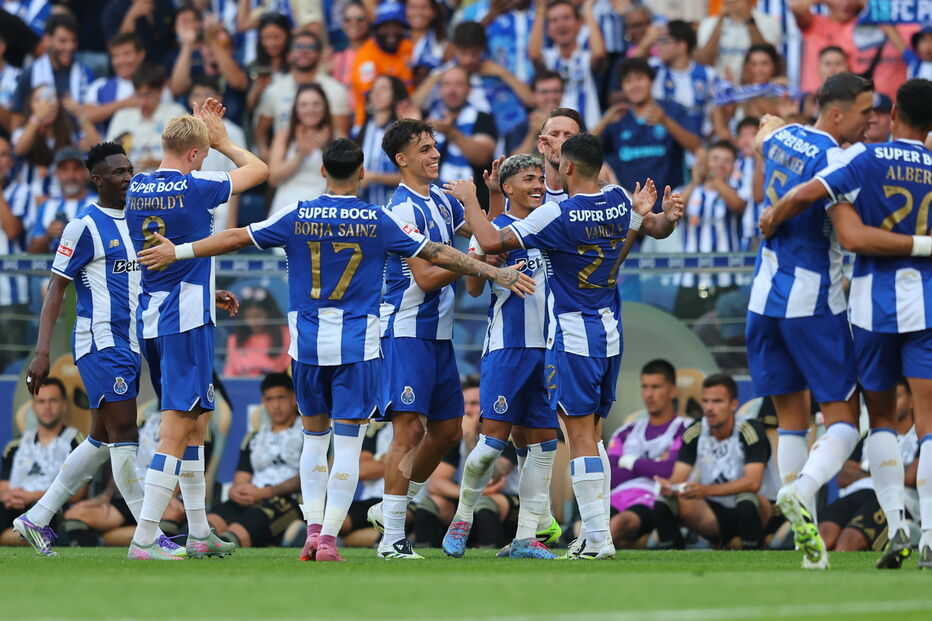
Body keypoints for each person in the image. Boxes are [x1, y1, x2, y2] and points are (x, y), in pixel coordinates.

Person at [136, 137, 534, 562]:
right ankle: (327, 540)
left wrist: (176, 251)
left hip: (306, 347)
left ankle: (311, 531)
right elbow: (438, 254)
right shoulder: (377, 219)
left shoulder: (298, 213)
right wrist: (495, 272)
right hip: (357, 347)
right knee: (346, 445)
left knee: (313, 440)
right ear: (362, 174)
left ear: (323, 172)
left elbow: (235, 236)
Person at [453, 132, 681, 559]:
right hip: (611, 330)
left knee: (578, 437)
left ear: (569, 168)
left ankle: (598, 538)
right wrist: (662, 217)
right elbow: (645, 231)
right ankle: (593, 536)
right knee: (591, 435)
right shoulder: (617, 197)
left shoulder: (557, 215)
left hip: (574, 335)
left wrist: (472, 200)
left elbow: (490, 241)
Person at [767, 78, 932, 570]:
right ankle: (927, 539)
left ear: (895, 111)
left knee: (878, 416)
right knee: (928, 425)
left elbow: (806, 193)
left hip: (869, 309)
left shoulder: (867, 159)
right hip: (926, 304)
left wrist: (773, 216)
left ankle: (898, 521)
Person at [366, 119, 532, 560]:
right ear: (402, 160)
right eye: (424, 149)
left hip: (439, 335)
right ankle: (392, 538)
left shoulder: (441, 199)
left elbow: (486, 236)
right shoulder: (401, 210)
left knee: (444, 431)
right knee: (409, 429)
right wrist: (478, 263)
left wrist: (493, 194)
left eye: (435, 146)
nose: (435, 154)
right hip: (405, 330)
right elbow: (424, 275)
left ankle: (391, 507)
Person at [14, 143, 181, 558]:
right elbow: (56, 287)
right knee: (125, 432)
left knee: (101, 438)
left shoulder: (142, 219)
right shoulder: (84, 226)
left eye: (129, 170)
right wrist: (41, 352)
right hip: (100, 341)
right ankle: (147, 536)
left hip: (130, 340)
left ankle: (36, 517)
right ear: (98, 179)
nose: (127, 178)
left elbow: (160, 272)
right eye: (118, 173)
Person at [123, 99, 267, 561]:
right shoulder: (197, 185)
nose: (206, 159)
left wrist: (211, 290)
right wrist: (223, 141)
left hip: (155, 311)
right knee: (177, 423)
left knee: (197, 422)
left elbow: (172, 255)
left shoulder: (137, 187)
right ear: (192, 154)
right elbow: (258, 170)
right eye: (202, 153)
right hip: (182, 319)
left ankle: (200, 531)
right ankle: (145, 537)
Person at [749, 72, 876, 570]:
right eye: (866, 111)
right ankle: (802, 490)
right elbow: (806, 195)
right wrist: (777, 213)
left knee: (791, 421)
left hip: (764, 296)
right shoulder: (840, 158)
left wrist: (773, 128)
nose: (872, 121)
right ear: (839, 113)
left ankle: (809, 550)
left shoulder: (784, 137)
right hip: (814, 300)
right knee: (846, 418)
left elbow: (764, 127)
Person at [441, 154, 561, 560]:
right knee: (492, 444)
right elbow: (474, 291)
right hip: (507, 350)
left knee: (545, 447)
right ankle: (462, 518)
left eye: (541, 177)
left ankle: (526, 538)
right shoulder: (493, 231)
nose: (538, 184)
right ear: (507, 188)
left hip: (546, 351)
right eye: (529, 178)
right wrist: (481, 264)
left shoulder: (550, 225)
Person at [654, 374, 773, 550]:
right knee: (665, 503)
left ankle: (753, 552)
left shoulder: (750, 430)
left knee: (746, 500)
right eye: (706, 401)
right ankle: (674, 562)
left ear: (733, 404)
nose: (709, 408)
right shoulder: (694, 430)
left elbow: (753, 483)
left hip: (758, 510)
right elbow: (678, 476)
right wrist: (670, 486)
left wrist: (706, 490)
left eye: (717, 401)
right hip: (714, 511)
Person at [819, 379, 918, 553]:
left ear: (911, 402)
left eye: (896, 397)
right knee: (824, 535)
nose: (890, 404)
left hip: (896, 500)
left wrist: (864, 470)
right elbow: (842, 477)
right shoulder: (869, 437)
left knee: (849, 540)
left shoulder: (920, 437)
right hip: (855, 494)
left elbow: (912, 477)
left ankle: (837, 579)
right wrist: (888, 472)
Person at [423, 376, 521, 551]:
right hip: (471, 499)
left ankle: (491, 552)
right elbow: (436, 484)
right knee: (430, 504)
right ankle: (429, 552)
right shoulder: (456, 436)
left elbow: (495, 474)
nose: (468, 410)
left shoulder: (507, 431)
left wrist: (470, 442)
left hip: (511, 500)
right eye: (464, 404)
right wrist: (467, 494)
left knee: (485, 504)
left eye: (474, 404)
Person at [208, 373, 303, 548]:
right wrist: (235, 493)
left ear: (293, 398)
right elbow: (241, 480)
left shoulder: (307, 434)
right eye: (270, 399)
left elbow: (307, 479)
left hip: (288, 501)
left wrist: (266, 493)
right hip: (255, 496)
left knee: (236, 533)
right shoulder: (254, 438)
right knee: (206, 527)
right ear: (264, 402)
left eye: (281, 398)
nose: (276, 405)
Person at [606, 359, 689, 548]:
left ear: (672, 390)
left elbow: (671, 471)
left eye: (656, 387)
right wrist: (651, 465)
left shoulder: (684, 428)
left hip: (653, 497)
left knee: (618, 525)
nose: (649, 394)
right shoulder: (626, 431)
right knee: (582, 528)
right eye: (645, 387)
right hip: (617, 495)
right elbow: (608, 475)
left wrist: (628, 461)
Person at [596, 58, 700, 201]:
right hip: (630, 205)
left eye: (639, 79)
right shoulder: (618, 117)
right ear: (622, 87)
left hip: (669, 203)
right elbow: (582, 150)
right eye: (628, 81)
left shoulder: (672, 110)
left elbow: (695, 145)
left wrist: (666, 122)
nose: (634, 85)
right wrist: (605, 120)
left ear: (651, 80)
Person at [2, 378, 84, 541]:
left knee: (46, 510)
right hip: (13, 507)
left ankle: (19, 538)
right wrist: (10, 497)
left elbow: (78, 493)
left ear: (64, 405)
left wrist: (31, 496)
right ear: (33, 406)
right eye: (41, 401)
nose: (47, 407)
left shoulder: (77, 442)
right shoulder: (15, 446)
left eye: (53, 401)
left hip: (50, 508)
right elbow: (3, 487)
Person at [254, 29, 351, 156]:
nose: (304, 51)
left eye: (310, 47)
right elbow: (260, 132)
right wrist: (265, 154)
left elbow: (341, 136)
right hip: (282, 164)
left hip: (323, 161)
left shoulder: (336, 90)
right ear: (289, 53)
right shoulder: (274, 90)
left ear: (319, 54)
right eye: (298, 46)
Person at [14, 84, 100, 202]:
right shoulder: (21, 132)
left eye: (51, 98)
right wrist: (36, 118)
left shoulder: (70, 133)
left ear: (58, 104)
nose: (46, 104)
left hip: (63, 201)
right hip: (30, 202)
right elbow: (19, 150)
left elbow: (97, 148)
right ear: (30, 104)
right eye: (39, 99)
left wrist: (80, 114)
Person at [529, 0, 606, 131]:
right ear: (547, 29)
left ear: (579, 23)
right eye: (554, 20)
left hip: (588, 133)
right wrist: (541, 10)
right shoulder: (548, 58)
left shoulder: (585, 58)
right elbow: (534, 55)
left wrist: (587, 11)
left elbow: (599, 53)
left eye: (566, 17)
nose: (561, 24)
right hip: (557, 130)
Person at [10, 13, 95, 128]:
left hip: (78, 142)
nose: (70, 47)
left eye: (73, 41)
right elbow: (16, 124)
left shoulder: (86, 74)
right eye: (63, 41)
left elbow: (94, 119)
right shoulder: (30, 75)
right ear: (47, 40)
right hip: (39, 143)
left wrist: (79, 112)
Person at [188, 76, 247, 231]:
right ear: (189, 100)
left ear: (219, 97)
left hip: (221, 205)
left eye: (206, 94)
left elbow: (238, 175)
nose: (201, 99)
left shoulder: (233, 131)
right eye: (196, 95)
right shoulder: (183, 129)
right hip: (188, 202)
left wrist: (231, 223)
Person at [106, 64, 187, 173]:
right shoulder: (122, 116)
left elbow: (187, 158)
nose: (143, 102)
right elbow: (108, 158)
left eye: (148, 95)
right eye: (139, 95)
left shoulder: (176, 114)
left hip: (167, 182)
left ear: (161, 91)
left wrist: (157, 163)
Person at [426, 66, 497, 192]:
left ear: (469, 89)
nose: (452, 90)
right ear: (440, 89)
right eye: (447, 84)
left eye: (458, 84)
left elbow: (482, 156)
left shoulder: (482, 118)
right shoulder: (431, 120)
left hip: (476, 203)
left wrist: (449, 132)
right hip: (438, 202)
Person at [267, 83, 332, 216]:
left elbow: (344, 181)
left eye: (316, 104)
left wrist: (326, 152)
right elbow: (273, 178)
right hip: (286, 209)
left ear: (325, 107)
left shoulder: (336, 135)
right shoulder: (284, 136)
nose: (310, 109)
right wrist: (300, 155)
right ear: (296, 109)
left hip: (320, 211)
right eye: (304, 105)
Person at [349, 2, 414, 127]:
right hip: (369, 125)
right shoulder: (366, 57)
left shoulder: (408, 47)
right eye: (385, 26)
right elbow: (374, 102)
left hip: (405, 121)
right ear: (376, 29)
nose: (392, 32)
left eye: (397, 26)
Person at [651, 20, 718, 136]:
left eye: (664, 41)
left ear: (681, 46)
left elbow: (717, 114)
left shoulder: (708, 74)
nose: (658, 47)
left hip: (695, 148)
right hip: (661, 147)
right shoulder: (653, 69)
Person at [0, 134, 32, 371]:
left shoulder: (21, 192)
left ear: (11, 160)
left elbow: (12, 230)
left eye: (3, 155)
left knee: (12, 369)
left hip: (11, 295)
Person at [27, 147, 98, 254]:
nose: (71, 175)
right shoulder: (46, 206)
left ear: (85, 172)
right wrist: (48, 236)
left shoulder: (99, 203)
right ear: (57, 174)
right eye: (65, 169)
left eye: (76, 169)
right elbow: (32, 254)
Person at [350, 74, 405, 206]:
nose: (377, 93)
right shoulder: (360, 130)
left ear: (395, 94)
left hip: (396, 209)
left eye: (384, 89)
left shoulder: (402, 131)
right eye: (374, 89)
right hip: (364, 210)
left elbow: (414, 176)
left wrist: (375, 177)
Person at [695, 0, 782, 83]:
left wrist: (749, 20)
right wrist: (720, 20)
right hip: (718, 91)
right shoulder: (708, 23)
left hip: (753, 91)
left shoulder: (769, 23)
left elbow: (768, 57)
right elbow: (703, 62)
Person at [81, 33, 147, 135]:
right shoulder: (100, 85)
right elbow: (86, 116)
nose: (120, 61)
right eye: (115, 56)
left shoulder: (155, 84)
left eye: (126, 54)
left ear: (141, 55)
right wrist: (124, 104)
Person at [223, 288, 291, 376]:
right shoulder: (234, 340)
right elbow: (229, 374)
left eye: (258, 316)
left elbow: (289, 369)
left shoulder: (285, 335)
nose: (253, 322)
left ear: (270, 314)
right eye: (248, 316)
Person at [514, 71, 566, 156]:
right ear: (534, 95)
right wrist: (533, 133)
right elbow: (514, 165)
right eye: (544, 92)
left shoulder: (574, 121)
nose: (551, 97)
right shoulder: (520, 125)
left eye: (556, 91)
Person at [330, 3, 369, 87]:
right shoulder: (337, 58)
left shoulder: (376, 52)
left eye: (360, 19)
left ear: (368, 22)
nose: (354, 23)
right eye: (347, 19)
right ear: (342, 23)